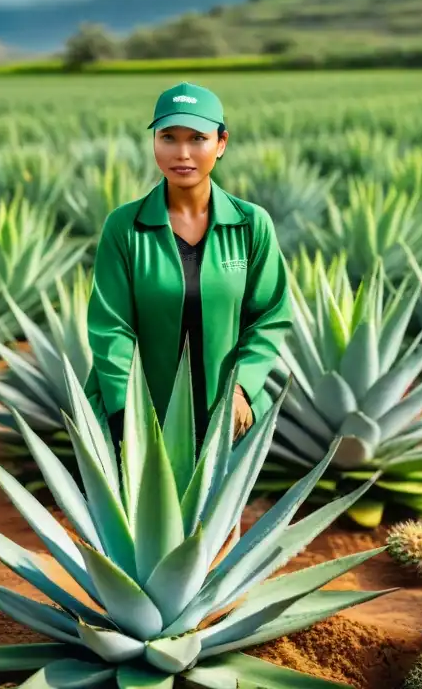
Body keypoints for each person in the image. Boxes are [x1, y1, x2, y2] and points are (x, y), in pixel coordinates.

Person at [83, 81, 292, 554]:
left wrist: (243, 386)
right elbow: (110, 324)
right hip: (140, 414)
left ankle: (214, 613)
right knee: (144, 532)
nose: (182, 152)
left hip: (225, 410)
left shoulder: (250, 224)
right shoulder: (125, 226)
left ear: (221, 142)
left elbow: (270, 316)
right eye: (168, 137)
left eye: (197, 138)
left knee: (216, 531)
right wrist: (126, 412)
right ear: (154, 142)